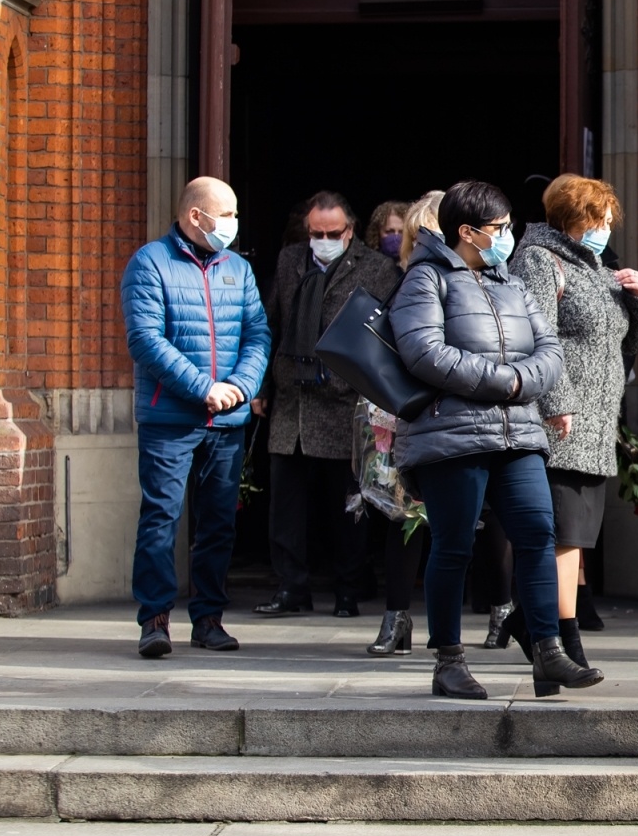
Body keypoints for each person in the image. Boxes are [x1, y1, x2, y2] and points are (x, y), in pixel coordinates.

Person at [389, 179, 599, 699]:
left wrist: (526, 380)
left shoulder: (511, 282)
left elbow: (548, 347)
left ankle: (548, 651)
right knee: (454, 546)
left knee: (536, 536)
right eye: (499, 229)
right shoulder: (426, 281)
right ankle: (448, 661)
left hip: (519, 435)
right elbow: (424, 353)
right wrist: (502, 381)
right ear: (467, 233)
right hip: (452, 436)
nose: (508, 237)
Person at [504, 175, 638, 667]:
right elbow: (535, 336)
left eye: (609, 222)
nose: (606, 230)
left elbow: (634, 343)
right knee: (563, 536)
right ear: (573, 220)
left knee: (576, 536)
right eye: (600, 220)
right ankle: (563, 641)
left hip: (594, 424)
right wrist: (557, 402)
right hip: (561, 422)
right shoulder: (538, 259)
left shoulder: (592, 265)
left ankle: (529, 625)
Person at [121, 176, 270, 657]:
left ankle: (208, 619)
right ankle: (155, 621)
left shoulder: (238, 269)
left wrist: (242, 389)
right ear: (195, 217)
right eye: (225, 215)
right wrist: (203, 388)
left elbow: (257, 335)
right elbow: (146, 340)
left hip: (226, 422)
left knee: (219, 525)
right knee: (161, 518)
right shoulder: (150, 263)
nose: (232, 224)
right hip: (170, 419)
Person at [251, 191, 400, 618]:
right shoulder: (289, 260)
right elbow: (271, 323)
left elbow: (382, 338)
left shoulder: (376, 268)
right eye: (315, 232)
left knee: (348, 509)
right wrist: (263, 386)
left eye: (332, 233)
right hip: (292, 401)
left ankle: (348, 591)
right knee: (286, 507)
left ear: (349, 231)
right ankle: (291, 589)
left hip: (344, 403)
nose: (322, 240)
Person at [366, 191, 444, 657]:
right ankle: (397, 618)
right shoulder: (407, 281)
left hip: (453, 415)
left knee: (463, 524)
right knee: (404, 515)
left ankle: (500, 609)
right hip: (405, 414)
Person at [366, 200, 409, 265]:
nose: (396, 237)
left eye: (401, 232)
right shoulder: (366, 265)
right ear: (377, 233)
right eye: (390, 232)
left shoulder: (419, 267)